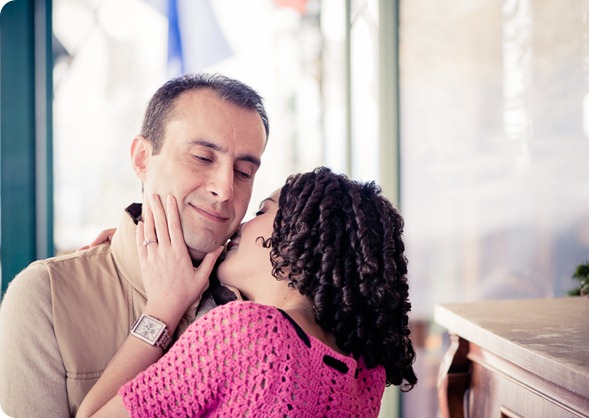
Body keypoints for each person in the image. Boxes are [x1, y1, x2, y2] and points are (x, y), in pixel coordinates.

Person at [0, 73, 269, 418]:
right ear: (143, 158)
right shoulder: (45, 297)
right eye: (203, 158)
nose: (225, 189)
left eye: (244, 172)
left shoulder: (264, 306)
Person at [77, 167, 417, 417]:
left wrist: (163, 307)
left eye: (262, 211)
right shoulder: (364, 380)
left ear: (300, 234)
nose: (239, 225)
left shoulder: (250, 331)